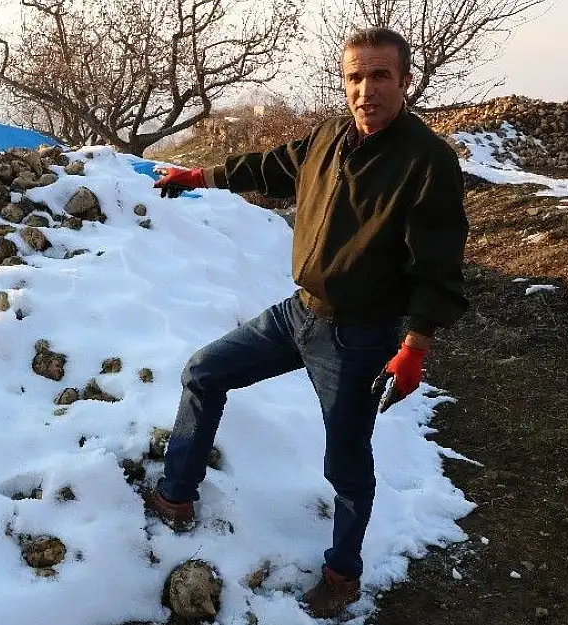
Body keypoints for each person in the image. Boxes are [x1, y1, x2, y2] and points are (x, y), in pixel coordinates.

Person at [144, 27, 469, 619]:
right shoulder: (330, 135)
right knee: (204, 371)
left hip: (359, 334)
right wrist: (202, 176)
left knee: (344, 463)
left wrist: (414, 347)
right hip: (298, 312)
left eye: (379, 76)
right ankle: (176, 496)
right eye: (354, 77)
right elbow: (272, 165)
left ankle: (342, 576)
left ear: (404, 80)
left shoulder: (427, 162)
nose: (365, 90)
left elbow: (440, 267)